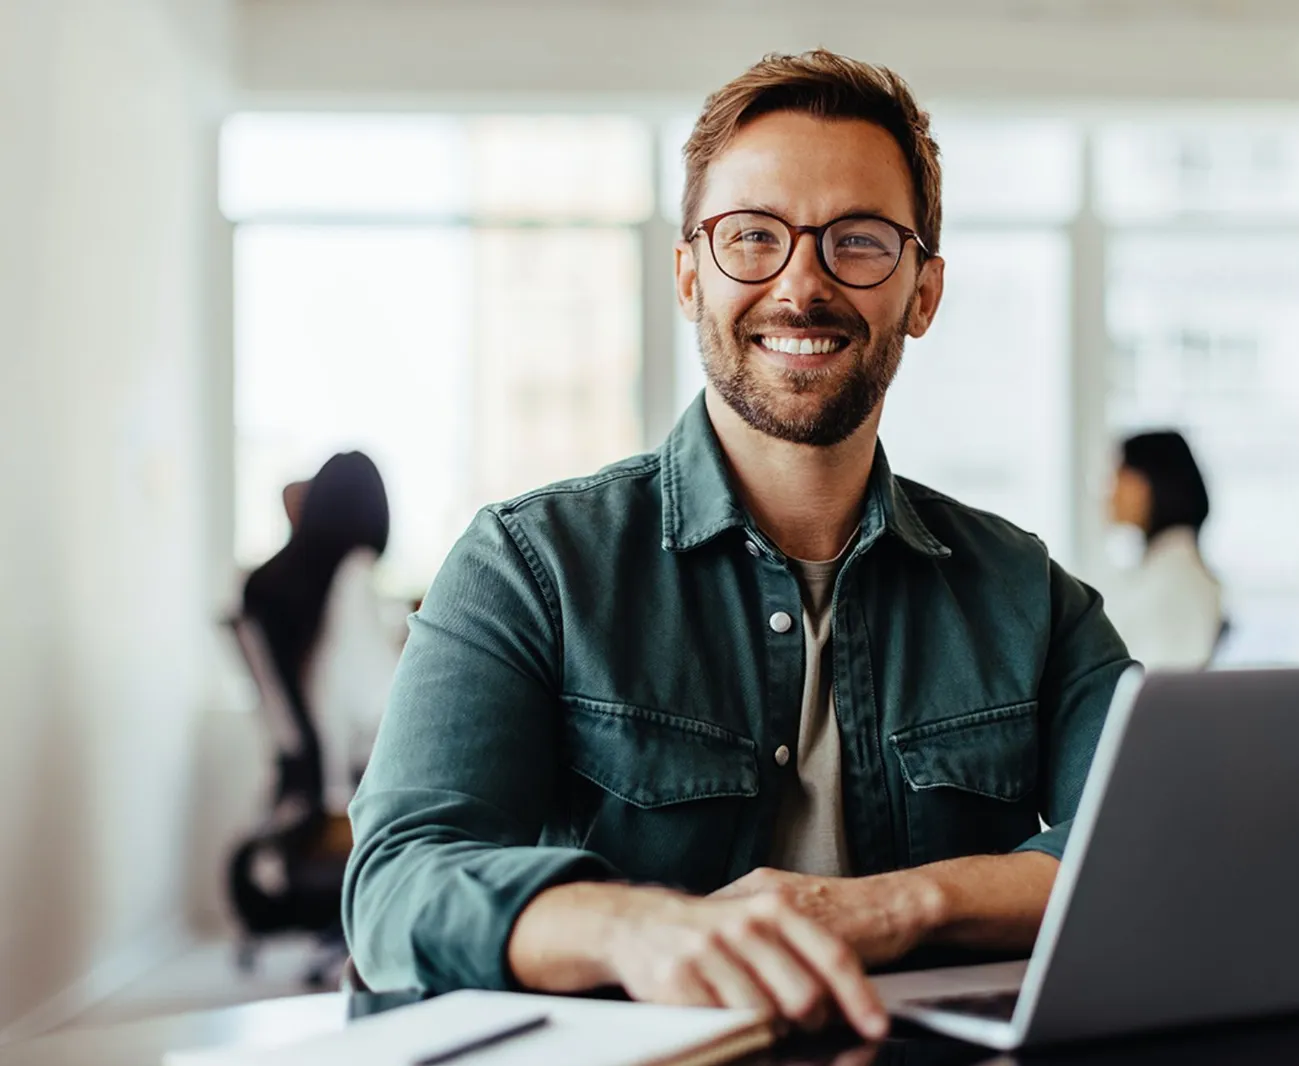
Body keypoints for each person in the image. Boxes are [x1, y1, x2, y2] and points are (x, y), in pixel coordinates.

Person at [343, 51, 1132, 1038]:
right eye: (752, 236)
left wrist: (895, 904)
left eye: (858, 241)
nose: (800, 284)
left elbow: (1151, 848)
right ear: (688, 275)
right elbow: (398, 883)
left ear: (922, 293)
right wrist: (633, 926)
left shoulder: (1030, 597)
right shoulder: (530, 566)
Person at [243, 450, 398, 815]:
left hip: (298, 789)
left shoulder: (267, 585)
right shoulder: (353, 576)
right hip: (350, 793)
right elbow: (375, 704)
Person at [1101, 431, 1223, 670]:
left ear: (1149, 483)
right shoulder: (1164, 567)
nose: (1110, 492)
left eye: (1119, 475)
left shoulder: (1177, 579)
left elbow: (1156, 686)